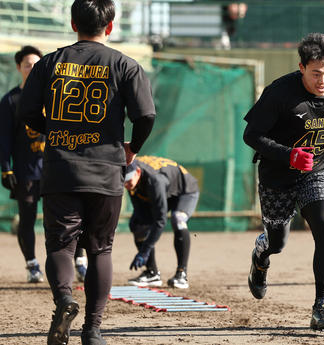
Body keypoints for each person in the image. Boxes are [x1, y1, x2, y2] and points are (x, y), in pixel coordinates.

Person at [17, 0, 156, 344]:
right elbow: (146, 115)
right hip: (106, 169)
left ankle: (65, 298)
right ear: (109, 27)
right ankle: (92, 331)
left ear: (72, 23)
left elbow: (27, 112)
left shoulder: (50, 62)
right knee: (100, 250)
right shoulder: (125, 64)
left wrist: (54, 131)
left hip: (61, 168)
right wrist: (132, 147)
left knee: (61, 247)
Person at [243, 32, 324, 333]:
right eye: (316, 73)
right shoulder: (279, 93)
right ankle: (261, 254)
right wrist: (288, 155)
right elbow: (251, 136)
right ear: (301, 67)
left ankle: (321, 306)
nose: (323, 80)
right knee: (278, 241)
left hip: (316, 172)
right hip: (277, 176)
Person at [0, 45, 88, 284]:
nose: (32, 68)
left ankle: (79, 261)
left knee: (68, 218)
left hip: (56, 169)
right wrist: (5, 167)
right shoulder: (10, 100)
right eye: (28, 64)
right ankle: (32, 265)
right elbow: (4, 138)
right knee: (27, 218)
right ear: (19, 67)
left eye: (37, 64)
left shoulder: (54, 96)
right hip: (26, 172)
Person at [125, 155, 199, 289]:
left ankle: (182, 274)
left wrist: (144, 251)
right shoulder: (132, 179)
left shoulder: (155, 181)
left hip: (185, 190)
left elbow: (160, 221)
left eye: (128, 179)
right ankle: (152, 273)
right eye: (123, 181)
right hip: (165, 190)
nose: (126, 184)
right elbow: (141, 215)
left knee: (178, 219)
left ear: (138, 172)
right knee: (138, 225)